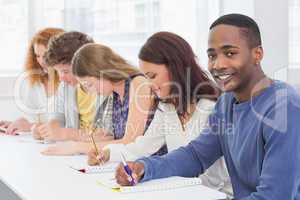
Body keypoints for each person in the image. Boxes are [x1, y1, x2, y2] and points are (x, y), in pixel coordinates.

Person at [115, 14, 300, 199]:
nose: (218, 64)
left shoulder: (284, 107)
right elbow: (196, 155)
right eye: (212, 55)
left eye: (230, 53)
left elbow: (276, 195)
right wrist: (144, 167)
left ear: (257, 54)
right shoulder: (226, 103)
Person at [87, 32, 232, 195]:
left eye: (153, 76)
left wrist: (161, 178)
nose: (149, 85)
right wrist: (107, 153)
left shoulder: (212, 107)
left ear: (176, 67)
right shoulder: (167, 107)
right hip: (184, 191)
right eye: (146, 78)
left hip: (215, 194)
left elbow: (215, 178)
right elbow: (144, 146)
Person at [41, 42, 156, 155]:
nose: (91, 92)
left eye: (89, 85)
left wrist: (77, 147)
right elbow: (110, 138)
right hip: (128, 161)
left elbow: (131, 142)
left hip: (153, 164)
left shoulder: (138, 84)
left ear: (103, 72)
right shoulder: (114, 94)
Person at [32, 31, 107, 143]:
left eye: (65, 71)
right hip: (75, 154)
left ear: (85, 64)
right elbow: (57, 116)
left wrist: (69, 134)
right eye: (58, 72)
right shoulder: (66, 86)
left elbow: (109, 134)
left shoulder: (107, 88)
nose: (61, 78)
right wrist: (50, 128)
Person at [0, 28, 64, 135]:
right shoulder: (36, 83)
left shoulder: (70, 83)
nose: (42, 61)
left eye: (46, 56)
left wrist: (30, 126)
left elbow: (67, 127)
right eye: (38, 56)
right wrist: (18, 125)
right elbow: (37, 120)